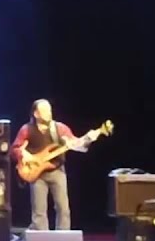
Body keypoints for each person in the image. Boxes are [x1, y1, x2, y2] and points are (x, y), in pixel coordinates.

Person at [10, 99, 98, 231]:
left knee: (63, 208)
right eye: (44, 110)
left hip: (57, 171)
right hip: (36, 174)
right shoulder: (26, 129)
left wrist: (87, 139)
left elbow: (77, 145)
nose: (48, 113)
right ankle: (41, 239)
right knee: (39, 211)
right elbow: (14, 149)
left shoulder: (60, 128)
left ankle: (63, 238)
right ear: (36, 114)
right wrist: (25, 155)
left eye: (49, 110)